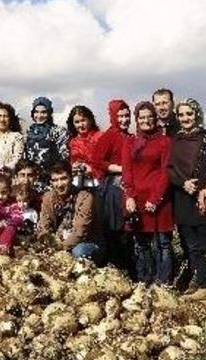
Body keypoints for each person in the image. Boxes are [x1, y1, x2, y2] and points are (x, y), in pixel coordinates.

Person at [168, 99, 206, 301]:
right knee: (192, 246)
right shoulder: (174, 140)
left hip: (200, 196)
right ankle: (202, 283)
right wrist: (182, 183)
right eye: (181, 115)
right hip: (181, 196)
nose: (185, 118)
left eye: (189, 113)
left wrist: (201, 185)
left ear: (197, 114)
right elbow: (168, 169)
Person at [121, 102, 173, 284]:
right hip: (136, 200)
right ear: (137, 120)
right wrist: (130, 196)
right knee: (141, 244)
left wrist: (155, 198)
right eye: (141, 117)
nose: (146, 121)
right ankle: (144, 280)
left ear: (155, 118)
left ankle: (163, 281)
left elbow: (166, 172)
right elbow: (127, 171)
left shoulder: (164, 141)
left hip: (159, 200)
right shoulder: (130, 142)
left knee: (162, 244)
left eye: (149, 117)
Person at [90, 99, 132, 263]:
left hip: (128, 186)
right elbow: (97, 161)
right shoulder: (109, 136)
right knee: (115, 227)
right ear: (113, 116)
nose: (124, 120)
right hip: (113, 188)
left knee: (128, 228)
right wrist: (121, 168)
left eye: (127, 116)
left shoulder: (130, 136)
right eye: (120, 116)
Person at [36, 160, 101, 263]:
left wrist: (60, 249)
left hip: (85, 242)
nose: (59, 184)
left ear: (71, 178)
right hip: (58, 240)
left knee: (78, 252)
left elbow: (80, 232)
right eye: (55, 180)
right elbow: (44, 225)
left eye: (63, 179)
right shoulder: (48, 197)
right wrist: (46, 242)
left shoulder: (85, 197)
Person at [23, 96, 69, 192]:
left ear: (49, 113)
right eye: (36, 112)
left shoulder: (58, 131)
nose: (39, 116)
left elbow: (64, 156)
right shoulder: (28, 132)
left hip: (51, 181)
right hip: (31, 181)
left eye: (43, 112)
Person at [66, 105, 102, 188]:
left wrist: (92, 169)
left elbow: (106, 162)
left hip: (99, 182)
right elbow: (71, 162)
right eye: (77, 122)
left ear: (90, 120)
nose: (81, 125)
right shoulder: (72, 142)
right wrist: (73, 168)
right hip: (79, 182)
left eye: (83, 120)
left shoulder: (101, 137)